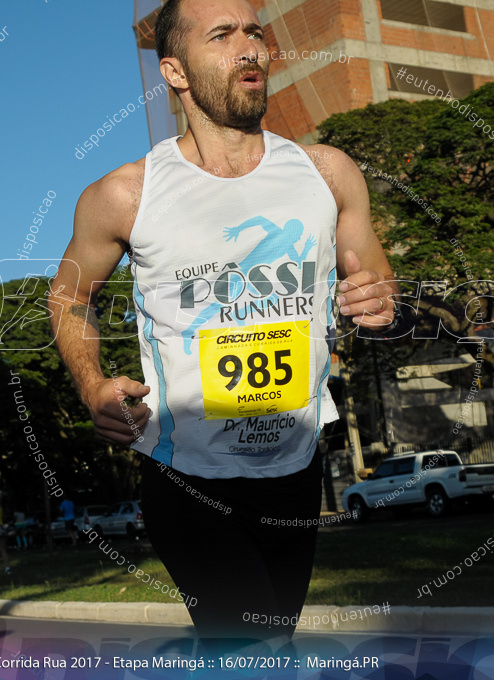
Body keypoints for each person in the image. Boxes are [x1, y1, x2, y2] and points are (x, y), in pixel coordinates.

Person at [48, 0, 396, 641]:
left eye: (254, 33)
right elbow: (69, 298)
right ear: (176, 72)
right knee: (252, 643)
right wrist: (91, 383)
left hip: (294, 464)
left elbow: (373, 277)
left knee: (269, 642)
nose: (250, 48)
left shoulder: (329, 173)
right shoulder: (126, 194)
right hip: (189, 472)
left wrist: (378, 297)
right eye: (223, 35)